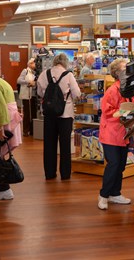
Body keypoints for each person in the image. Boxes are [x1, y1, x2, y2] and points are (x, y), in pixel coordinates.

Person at [98, 58, 134, 210]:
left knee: (121, 164)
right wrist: (125, 112)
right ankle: (103, 195)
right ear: (117, 73)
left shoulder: (130, 88)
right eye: (124, 69)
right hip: (111, 133)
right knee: (114, 164)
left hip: (125, 132)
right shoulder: (112, 90)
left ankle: (115, 193)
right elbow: (107, 111)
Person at [37, 53, 81, 181]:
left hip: (49, 114)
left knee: (49, 144)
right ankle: (65, 174)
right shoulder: (68, 75)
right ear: (65, 62)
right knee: (65, 144)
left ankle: (50, 173)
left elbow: (40, 92)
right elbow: (77, 93)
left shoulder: (44, 74)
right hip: (65, 113)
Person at [0, 76, 22, 200]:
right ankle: (0, 186)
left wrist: (0, 129)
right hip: (4, 122)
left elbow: (1, 108)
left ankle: (4, 189)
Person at [17, 58, 37, 137]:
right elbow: (19, 80)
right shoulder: (25, 71)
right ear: (30, 64)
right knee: (27, 113)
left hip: (32, 95)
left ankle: (32, 130)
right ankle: (26, 130)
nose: (35, 65)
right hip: (26, 96)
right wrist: (28, 82)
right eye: (33, 63)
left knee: (33, 113)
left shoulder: (34, 72)